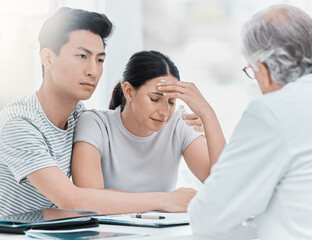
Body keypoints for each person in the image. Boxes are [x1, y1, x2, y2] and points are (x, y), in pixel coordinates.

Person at [157, 4, 312, 240]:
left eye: (251, 72)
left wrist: (208, 115)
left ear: (264, 70)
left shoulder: (272, 111)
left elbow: (208, 216)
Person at [71, 50, 226, 214]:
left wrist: (208, 116)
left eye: (171, 102)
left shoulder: (179, 124)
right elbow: (88, 201)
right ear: (129, 92)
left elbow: (225, 187)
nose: (165, 112)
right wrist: (165, 200)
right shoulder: (95, 123)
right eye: (155, 99)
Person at [0, 7, 114, 216]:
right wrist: (166, 201)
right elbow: (74, 200)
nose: (93, 71)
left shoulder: (80, 116)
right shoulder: (18, 123)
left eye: (100, 60)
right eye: (82, 56)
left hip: (53, 230)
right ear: (48, 59)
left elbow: (95, 194)